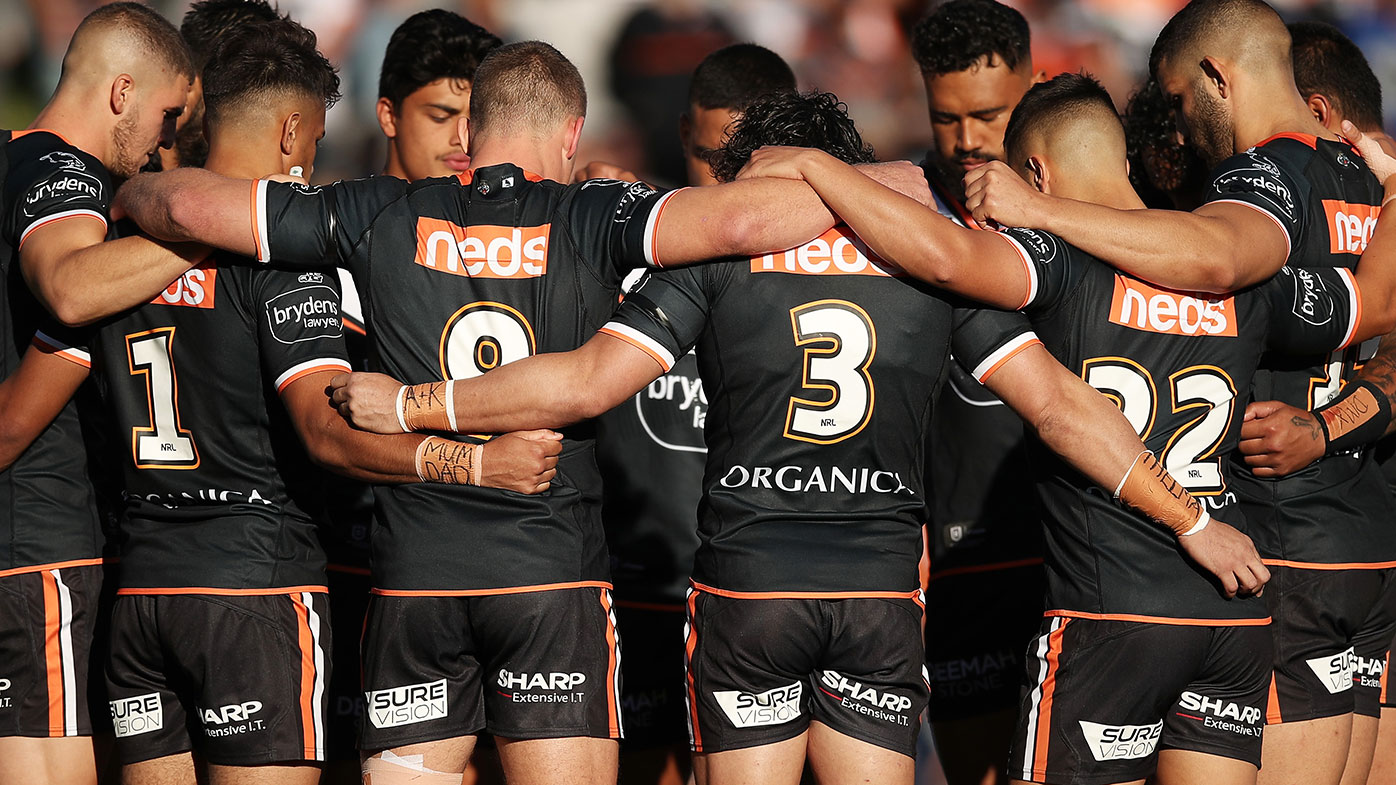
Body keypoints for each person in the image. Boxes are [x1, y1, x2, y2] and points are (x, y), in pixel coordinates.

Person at [324, 86, 1272, 785]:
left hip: (751, 588)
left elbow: (583, 382)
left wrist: (414, 406)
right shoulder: (927, 260)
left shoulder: (720, 256)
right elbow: (1064, 407)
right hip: (879, 596)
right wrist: (1190, 519)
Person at [112, 41, 929, 785]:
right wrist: (867, 178)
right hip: (551, 579)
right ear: (572, 134)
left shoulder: (374, 209)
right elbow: (749, 217)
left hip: (417, 582)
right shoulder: (595, 214)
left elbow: (182, 208)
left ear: (470, 129)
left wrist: (127, 186)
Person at [741, 69, 1396, 785]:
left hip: (1111, 614)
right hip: (1230, 610)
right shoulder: (1242, 273)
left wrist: (820, 168)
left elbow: (944, 257)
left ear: (1037, 175)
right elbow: (1377, 304)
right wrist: (1393, 189)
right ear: (1122, 160)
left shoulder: (1056, 258)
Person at [18, 20, 552, 785]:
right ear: (293, 130)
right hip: (256, 589)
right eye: (317, 139)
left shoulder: (114, 248)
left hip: (141, 596)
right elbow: (325, 434)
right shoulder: (283, 258)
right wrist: (473, 463)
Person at [963, 3, 1396, 783]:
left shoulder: (1257, 178)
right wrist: (1337, 427)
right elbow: (1374, 312)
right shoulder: (1367, 177)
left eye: (1178, 98)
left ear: (1217, 77)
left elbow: (1219, 258)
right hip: (1363, 539)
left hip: (1272, 545)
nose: (1183, 128)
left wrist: (1036, 210)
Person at [0, 5, 197, 783]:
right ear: (122, 92)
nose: (165, 141)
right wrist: (213, 230)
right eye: (168, 114)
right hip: (37, 540)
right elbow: (74, 288)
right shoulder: (68, 174)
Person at [908, 6, 1046, 779]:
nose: (966, 140)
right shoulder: (902, 211)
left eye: (989, 115)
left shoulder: (1099, 199)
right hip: (963, 568)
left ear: (1035, 83)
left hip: (1080, 557)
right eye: (945, 117)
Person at [376, 9, 501, 183]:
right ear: (388, 116)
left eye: (479, 121)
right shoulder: (342, 200)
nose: (463, 138)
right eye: (440, 117)